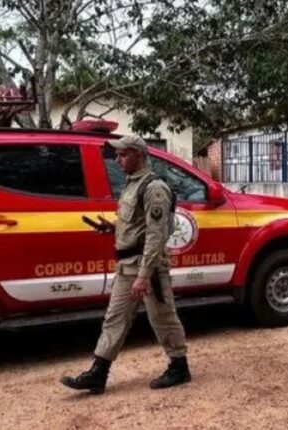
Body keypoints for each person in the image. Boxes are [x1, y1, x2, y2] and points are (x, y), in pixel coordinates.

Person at [61, 135, 190, 394]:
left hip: (148, 267)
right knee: (114, 318)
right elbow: (136, 225)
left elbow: (156, 236)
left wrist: (144, 276)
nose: (117, 160)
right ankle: (98, 372)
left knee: (162, 318)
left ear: (138, 155)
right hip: (127, 265)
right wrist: (112, 228)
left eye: (123, 155)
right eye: (117, 155)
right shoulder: (130, 185)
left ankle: (179, 366)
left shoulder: (154, 188)